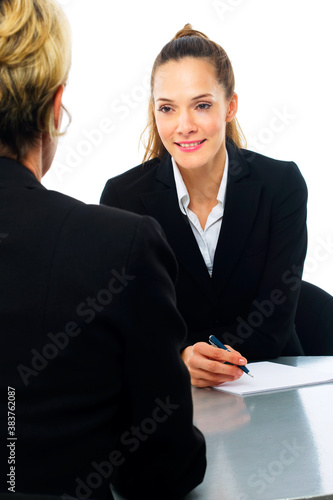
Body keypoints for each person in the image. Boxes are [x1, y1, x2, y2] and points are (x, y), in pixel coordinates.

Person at [0, 3, 206, 498]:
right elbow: (164, 467)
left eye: (200, 105)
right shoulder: (120, 242)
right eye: (167, 107)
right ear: (55, 105)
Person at [100, 24, 308, 388]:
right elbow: (129, 323)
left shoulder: (281, 185)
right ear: (154, 111)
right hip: (171, 393)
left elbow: (274, 322)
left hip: (270, 382)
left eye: (201, 105)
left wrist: (200, 356)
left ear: (230, 106)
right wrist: (179, 359)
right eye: (168, 108)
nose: (184, 126)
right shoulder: (122, 199)